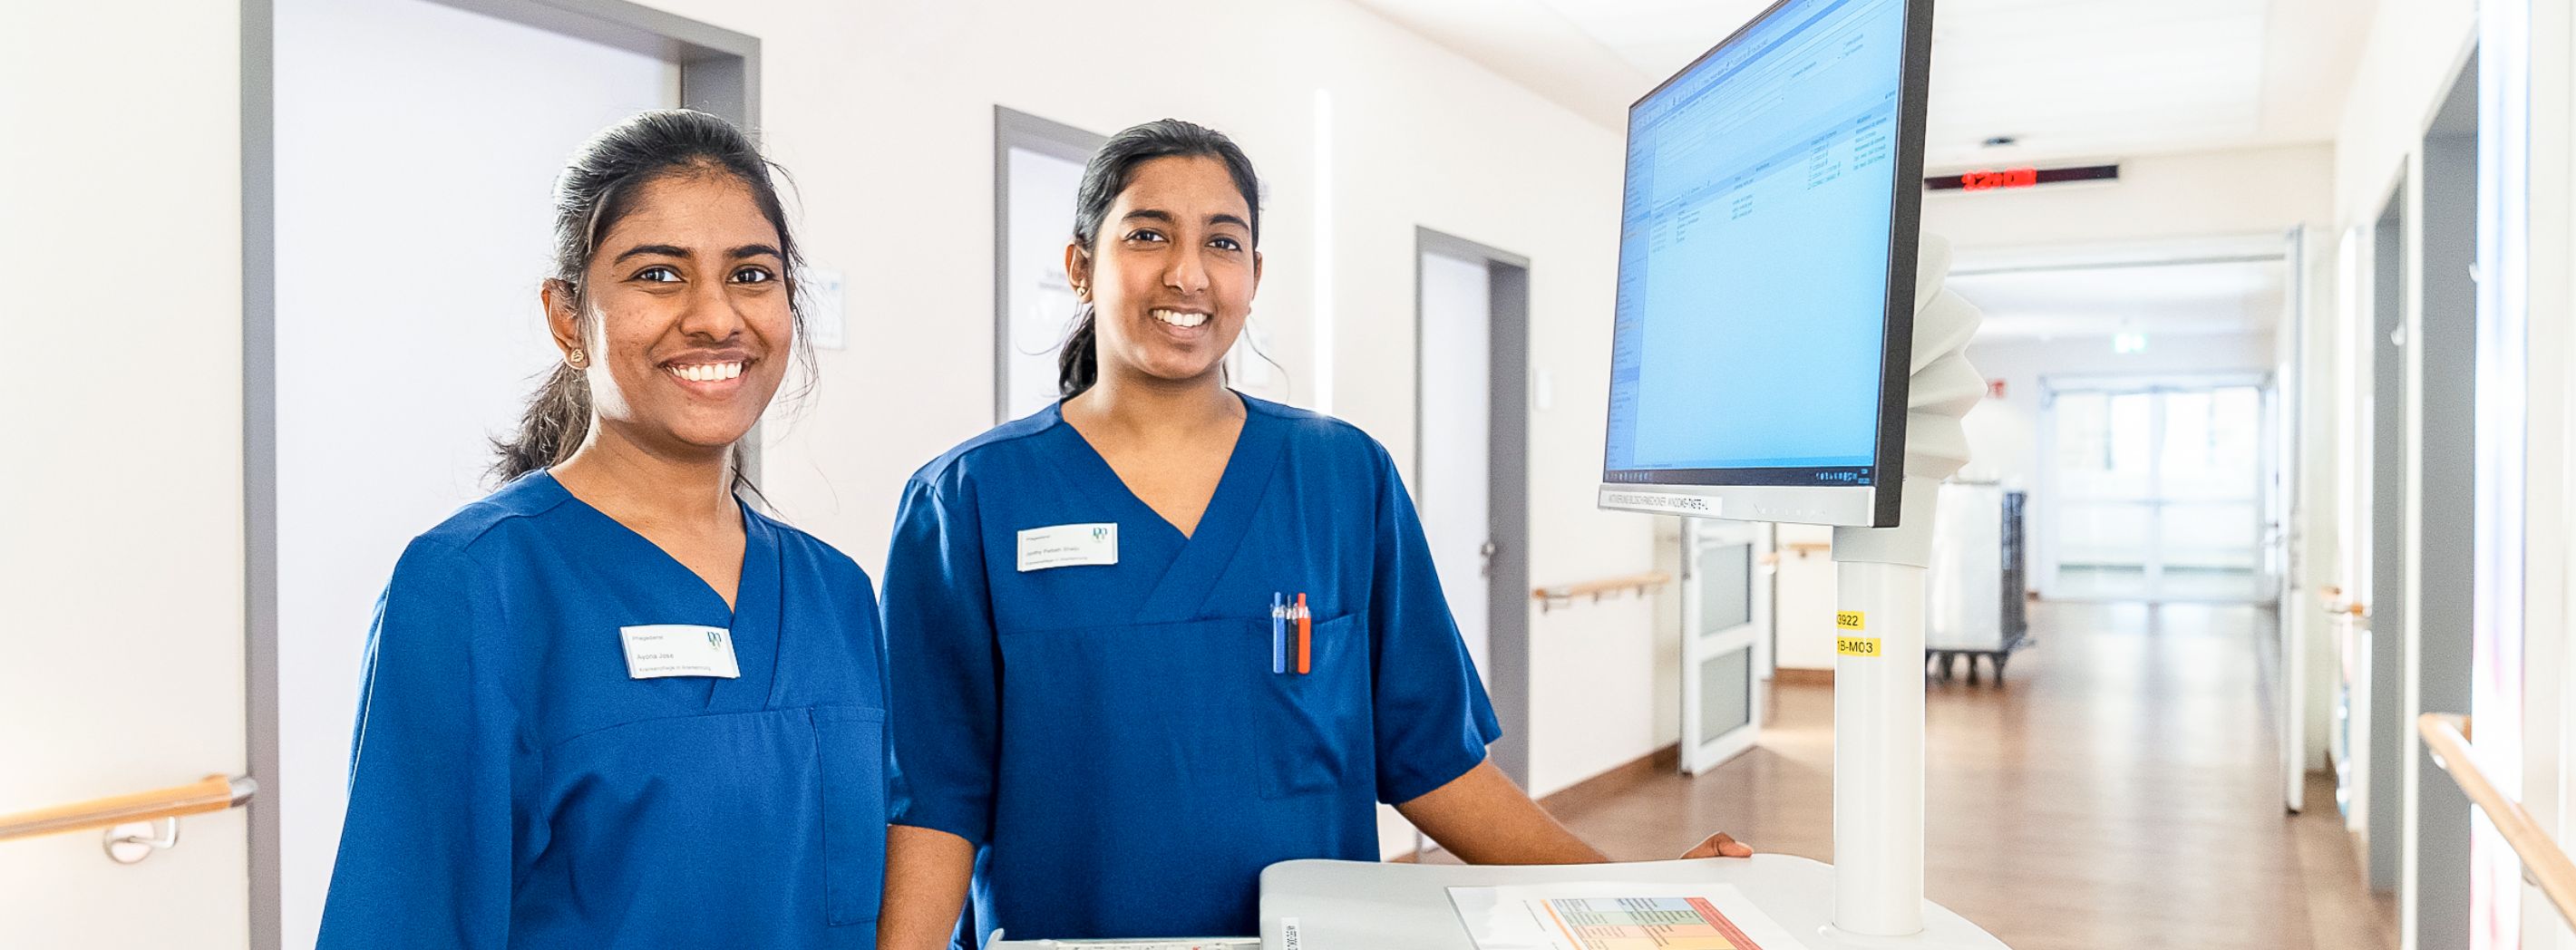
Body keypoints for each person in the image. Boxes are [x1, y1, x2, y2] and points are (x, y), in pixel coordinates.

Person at [879, 118, 1747, 947]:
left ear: (1254, 273)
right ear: (1080, 266)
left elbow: (1429, 758)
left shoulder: (1341, 477)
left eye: (1221, 242)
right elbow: (935, 801)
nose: (1188, 273)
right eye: (1147, 236)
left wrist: (1631, 900)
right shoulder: (967, 501)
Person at [316, 109, 889, 947]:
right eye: (659, 275)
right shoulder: (477, 584)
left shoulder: (836, 593)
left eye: (752, 275)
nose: (714, 317)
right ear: (566, 318)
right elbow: (408, 914)